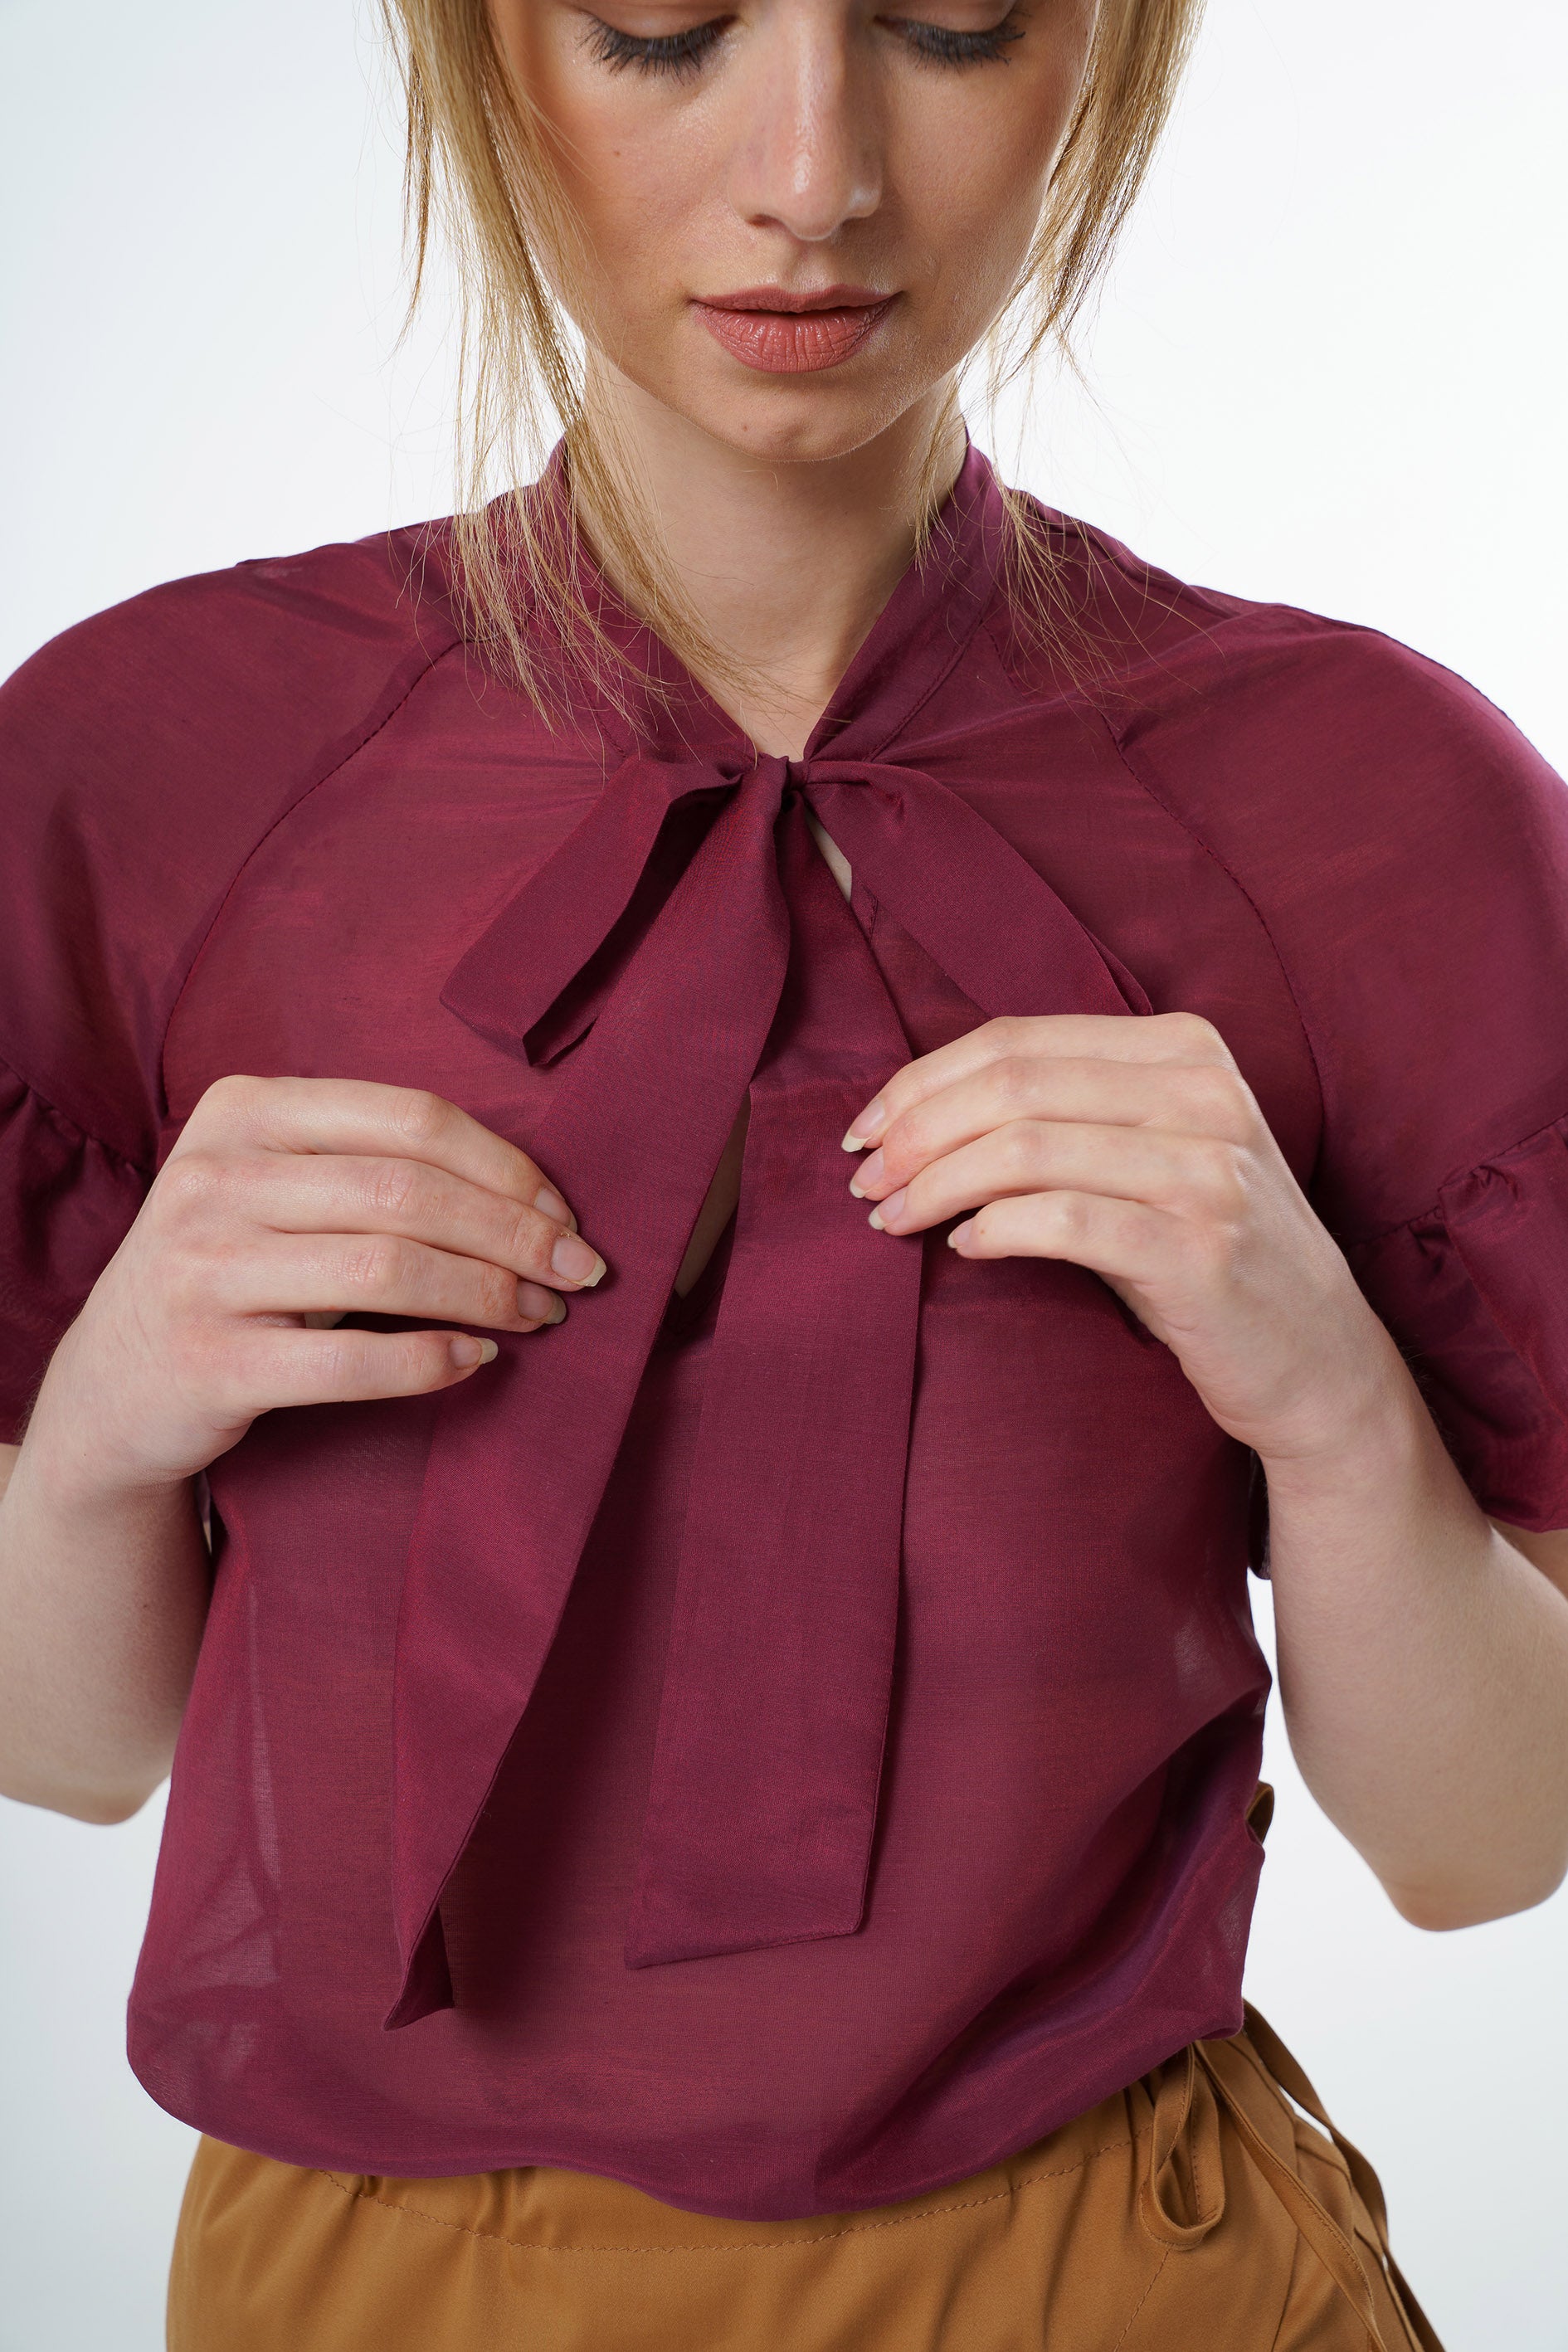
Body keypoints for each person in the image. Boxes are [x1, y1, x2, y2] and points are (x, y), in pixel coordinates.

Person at [1, 0, 1565, 2342]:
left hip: (1123, 2283)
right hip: (358, 2287)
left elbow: (1482, 1846)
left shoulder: (1371, 806)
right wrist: (103, 1432)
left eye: (948, 24)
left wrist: (1330, 1406)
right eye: (657, 29)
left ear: (1106, 62)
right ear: (479, 58)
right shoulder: (145, 771)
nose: (813, 174)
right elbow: (72, 1749)